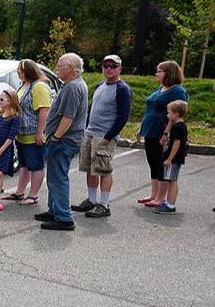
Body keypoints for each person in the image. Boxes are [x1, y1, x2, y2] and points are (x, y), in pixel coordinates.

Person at [72, 54, 132, 218]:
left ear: (120, 68)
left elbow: (123, 116)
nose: (109, 69)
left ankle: (104, 204)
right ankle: (91, 200)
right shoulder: (100, 85)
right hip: (90, 132)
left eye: (113, 66)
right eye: (106, 66)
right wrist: (85, 129)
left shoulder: (122, 89)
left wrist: (109, 136)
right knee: (90, 169)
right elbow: (92, 109)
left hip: (104, 135)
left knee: (103, 170)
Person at [37, 53, 89, 231]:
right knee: (54, 176)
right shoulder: (72, 85)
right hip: (64, 140)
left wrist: (56, 137)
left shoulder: (72, 88)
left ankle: (64, 217)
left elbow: (68, 117)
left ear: (72, 70)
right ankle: (54, 210)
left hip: (64, 140)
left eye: (60, 65)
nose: (56, 68)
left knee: (58, 178)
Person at [135, 60, 188, 208]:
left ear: (169, 73)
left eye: (159, 71)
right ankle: (154, 194)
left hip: (161, 133)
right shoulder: (160, 88)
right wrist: (141, 128)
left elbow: (177, 114)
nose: (156, 74)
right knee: (153, 163)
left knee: (160, 165)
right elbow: (150, 110)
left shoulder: (177, 91)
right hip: (150, 131)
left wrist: (166, 133)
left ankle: (160, 198)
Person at [1, 59, 51, 206]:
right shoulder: (24, 84)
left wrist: (39, 133)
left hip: (33, 134)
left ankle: (33, 195)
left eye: (20, 70)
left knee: (36, 165)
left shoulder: (39, 86)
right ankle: (19, 192)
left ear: (28, 70)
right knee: (24, 165)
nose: (18, 73)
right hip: (21, 134)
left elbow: (44, 111)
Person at [154, 100, 189, 214]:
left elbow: (177, 143)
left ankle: (170, 205)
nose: (168, 115)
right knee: (171, 180)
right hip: (176, 158)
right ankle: (170, 202)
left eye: (170, 113)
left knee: (171, 181)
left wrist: (169, 159)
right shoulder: (181, 125)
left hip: (173, 159)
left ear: (177, 114)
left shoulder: (177, 127)